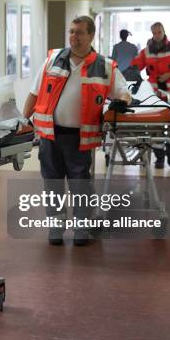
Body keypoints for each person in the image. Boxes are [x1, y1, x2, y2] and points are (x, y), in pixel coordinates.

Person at [23, 16, 132, 246]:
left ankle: (82, 226)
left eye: (80, 32)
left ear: (91, 35)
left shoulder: (103, 65)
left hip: (79, 138)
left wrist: (122, 101)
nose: (74, 37)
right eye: (71, 31)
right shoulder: (53, 60)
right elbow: (34, 94)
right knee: (52, 182)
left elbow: (123, 91)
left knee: (80, 183)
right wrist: (22, 122)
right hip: (50, 135)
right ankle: (56, 226)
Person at [130, 22, 170, 169]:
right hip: (155, 94)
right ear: (152, 33)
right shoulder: (147, 51)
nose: (157, 35)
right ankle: (159, 158)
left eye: (159, 32)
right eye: (154, 33)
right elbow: (135, 65)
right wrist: (129, 72)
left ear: (164, 32)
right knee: (155, 125)